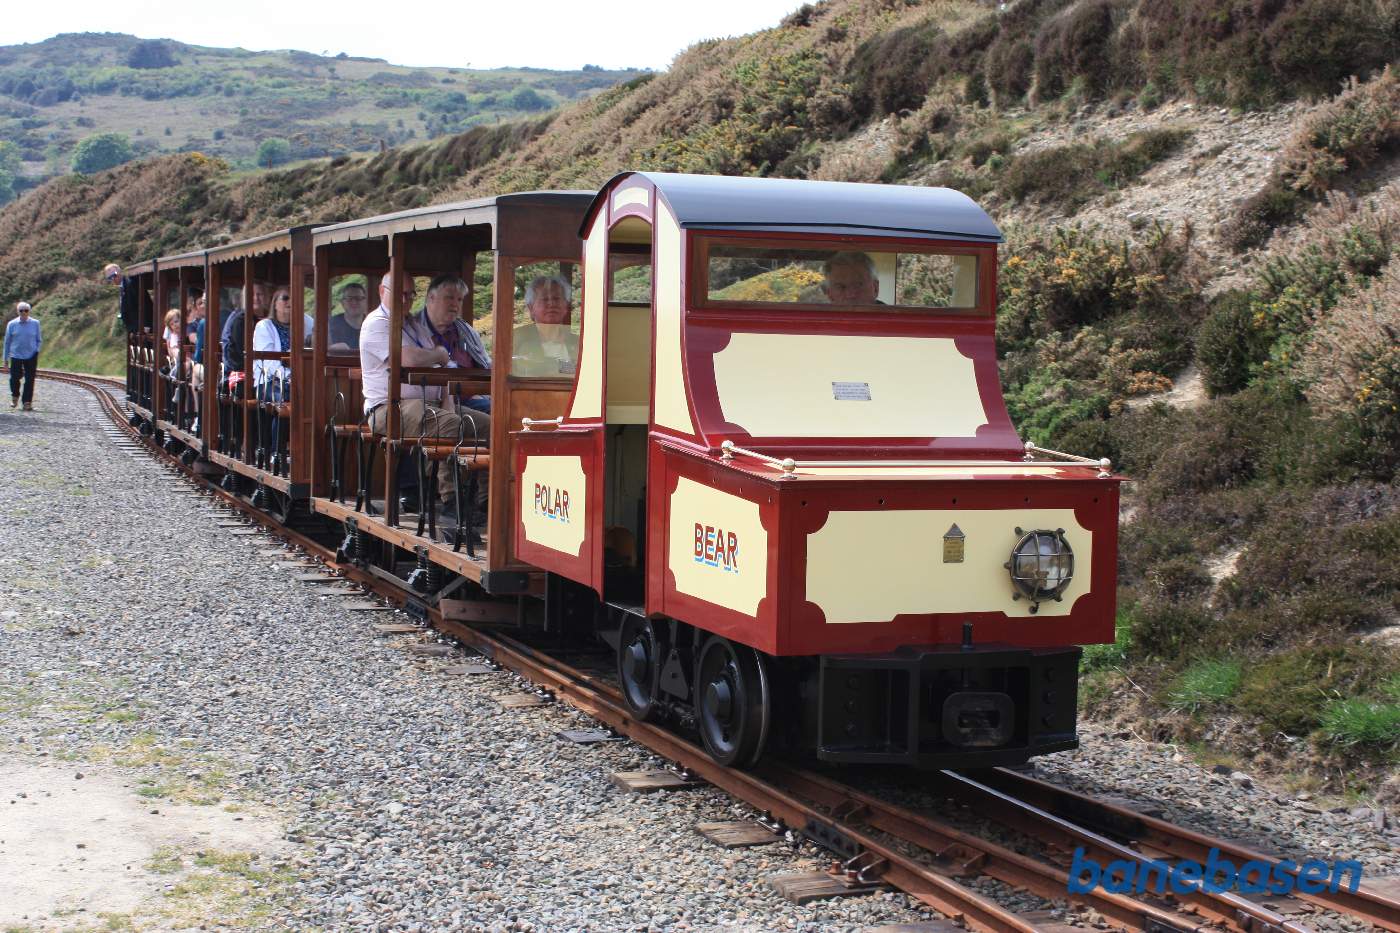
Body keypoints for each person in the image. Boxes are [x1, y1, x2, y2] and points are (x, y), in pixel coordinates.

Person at [361, 273, 490, 516]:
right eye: (400, 294)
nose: (406, 300)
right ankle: (452, 501)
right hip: (389, 408)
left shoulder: (414, 326)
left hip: (430, 403)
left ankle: (486, 501)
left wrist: (447, 401)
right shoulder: (377, 323)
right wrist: (439, 353)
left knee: (490, 427)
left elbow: (443, 370)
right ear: (382, 291)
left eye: (410, 294)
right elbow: (407, 358)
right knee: (453, 425)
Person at [511, 274, 578, 378]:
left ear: (566, 306)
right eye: (545, 299)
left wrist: (558, 367)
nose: (551, 304)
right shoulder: (516, 338)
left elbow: (584, 372)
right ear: (531, 308)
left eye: (556, 298)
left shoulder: (578, 342)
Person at [4, 301, 41, 410]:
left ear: (29, 311)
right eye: (21, 311)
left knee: (30, 379)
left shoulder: (35, 323)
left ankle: (27, 402)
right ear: (18, 312)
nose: (24, 313)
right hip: (16, 355)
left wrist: (36, 350)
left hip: (31, 355)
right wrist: (5, 359)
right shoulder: (12, 324)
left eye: (26, 310)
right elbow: (7, 342)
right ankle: (15, 396)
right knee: (14, 378)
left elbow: (39, 339)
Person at [329, 281, 368, 352]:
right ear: (342, 303)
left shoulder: (373, 324)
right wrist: (331, 349)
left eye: (358, 298)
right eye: (349, 298)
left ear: (365, 302)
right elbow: (320, 349)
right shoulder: (330, 324)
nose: (354, 302)